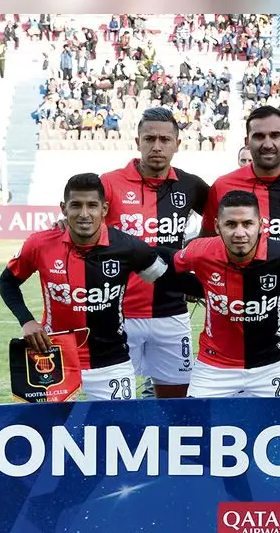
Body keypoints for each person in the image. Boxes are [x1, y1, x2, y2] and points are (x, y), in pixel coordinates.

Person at [0, 173, 179, 401]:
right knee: (49, 430)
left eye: (92, 205)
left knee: (119, 430)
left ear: (104, 209)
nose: (84, 214)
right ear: (64, 208)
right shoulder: (39, 244)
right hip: (54, 357)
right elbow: (7, 282)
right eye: (76, 205)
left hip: (112, 362)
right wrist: (27, 320)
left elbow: (164, 277)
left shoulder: (127, 246)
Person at [200, 106, 280, 397]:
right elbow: (208, 243)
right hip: (239, 323)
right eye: (259, 136)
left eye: (275, 135)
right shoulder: (224, 185)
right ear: (247, 141)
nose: (267, 143)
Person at [170, 191, 280, 398]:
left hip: (273, 366)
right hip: (213, 368)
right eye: (231, 224)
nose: (239, 232)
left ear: (261, 225)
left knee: (279, 428)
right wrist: (201, 288)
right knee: (198, 428)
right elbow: (167, 268)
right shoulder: (199, 250)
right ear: (217, 226)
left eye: (247, 223)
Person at [99, 107, 210, 399]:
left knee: (176, 403)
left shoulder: (190, 185)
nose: (157, 146)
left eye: (164, 139)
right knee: (114, 404)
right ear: (138, 142)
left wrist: (196, 257)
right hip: (119, 313)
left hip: (172, 313)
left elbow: (221, 223)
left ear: (177, 144)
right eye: (149, 139)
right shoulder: (109, 183)